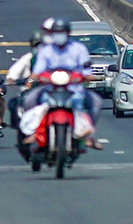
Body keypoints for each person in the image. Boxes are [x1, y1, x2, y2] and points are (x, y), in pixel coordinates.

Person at [22, 17, 103, 149]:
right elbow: (38, 71)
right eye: (56, 32)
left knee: (96, 102)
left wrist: (87, 76)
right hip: (49, 88)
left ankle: (87, 135)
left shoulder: (78, 48)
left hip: (74, 88)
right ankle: (34, 133)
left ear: (68, 33)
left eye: (62, 32)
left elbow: (86, 69)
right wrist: (32, 80)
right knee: (28, 100)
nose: (59, 35)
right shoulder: (46, 50)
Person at [5, 33, 43, 128]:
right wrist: (11, 78)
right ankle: (21, 131)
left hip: (50, 88)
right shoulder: (28, 57)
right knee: (15, 104)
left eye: (43, 45)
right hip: (30, 90)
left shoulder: (53, 57)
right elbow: (16, 69)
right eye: (37, 45)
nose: (40, 48)